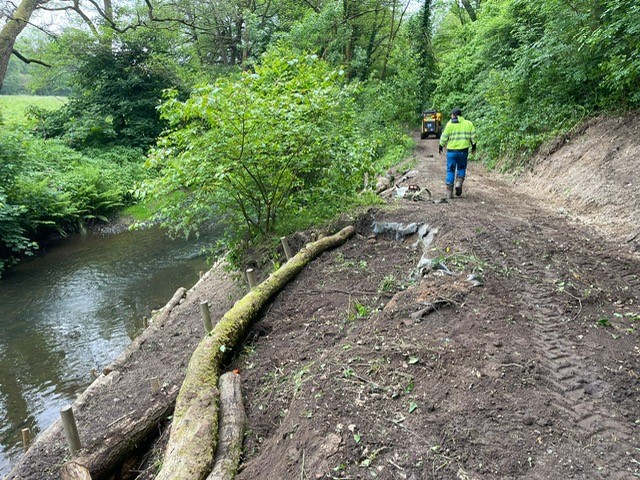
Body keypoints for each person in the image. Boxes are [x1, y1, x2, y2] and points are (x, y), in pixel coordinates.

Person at [438, 107, 476, 198]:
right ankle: (458, 183)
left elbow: (444, 137)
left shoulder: (450, 124)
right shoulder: (468, 123)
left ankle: (449, 192)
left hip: (451, 152)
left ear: (453, 115)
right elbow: (473, 137)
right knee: (461, 168)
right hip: (463, 151)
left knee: (450, 170)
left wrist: (440, 146)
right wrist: (474, 147)